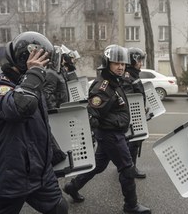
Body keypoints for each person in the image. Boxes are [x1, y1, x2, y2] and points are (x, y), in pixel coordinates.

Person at [0, 31, 68, 214]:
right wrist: (33, 74)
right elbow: (19, 108)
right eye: (41, 63)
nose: (44, 69)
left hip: (40, 171)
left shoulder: (30, 84)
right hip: (12, 174)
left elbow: (41, 124)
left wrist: (53, 154)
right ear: (26, 59)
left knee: (59, 208)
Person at [63, 45, 151, 214]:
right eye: (116, 63)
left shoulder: (114, 82)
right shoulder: (103, 87)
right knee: (127, 167)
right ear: (107, 63)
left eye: (123, 64)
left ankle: (72, 187)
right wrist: (116, 123)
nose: (120, 67)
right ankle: (131, 206)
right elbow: (92, 114)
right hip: (111, 135)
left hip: (112, 134)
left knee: (98, 166)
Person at [122, 47, 147, 179]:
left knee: (131, 142)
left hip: (136, 116)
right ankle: (130, 168)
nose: (141, 64)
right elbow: (130, 101)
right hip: (132, 118)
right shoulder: (128, 77)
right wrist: (136, 116)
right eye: (139, 61)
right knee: (132, 142)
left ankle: (126, 166)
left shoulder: (132, 75)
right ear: (132, 60)